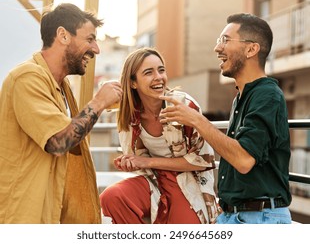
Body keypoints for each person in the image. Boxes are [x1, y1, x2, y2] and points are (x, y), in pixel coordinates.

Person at [160, 13, 292, 224]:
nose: (217, 48)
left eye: (225, 40)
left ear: (251, 49)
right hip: (234, 216)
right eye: (218, 40)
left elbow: (244, 160)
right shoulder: (242, 96)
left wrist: (196, 120)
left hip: (259, 219)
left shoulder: (267, 96)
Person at [0, 3, 122, 224]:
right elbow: (58, 142)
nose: (96, 49)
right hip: (23, 217)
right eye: (90, 39)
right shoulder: (27, 77)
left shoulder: (61, 87)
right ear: (63, 36)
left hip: (49, 215)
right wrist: (99, 102)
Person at [99, 47, 220, 224]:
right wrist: (129, 162)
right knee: (111, 196)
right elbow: (138, 161)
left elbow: (203, 161)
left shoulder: (184, 105)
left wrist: (147, 162)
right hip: (152, 179)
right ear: (133, 82)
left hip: (186, 180)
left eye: (161, 70)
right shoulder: (129, 114)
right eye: (148, 72)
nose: (158, 77)